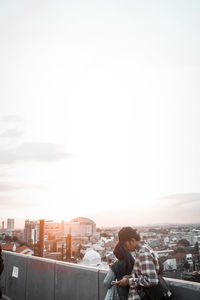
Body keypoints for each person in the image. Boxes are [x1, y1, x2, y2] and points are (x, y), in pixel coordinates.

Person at [116, 227, 160, 300]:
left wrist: (128, 281)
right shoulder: (141, 251)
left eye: (125, 245)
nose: (125, 248)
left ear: (132, 240)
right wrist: (130, 277)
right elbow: (144, 276)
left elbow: (151, 280)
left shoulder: (144, 253)